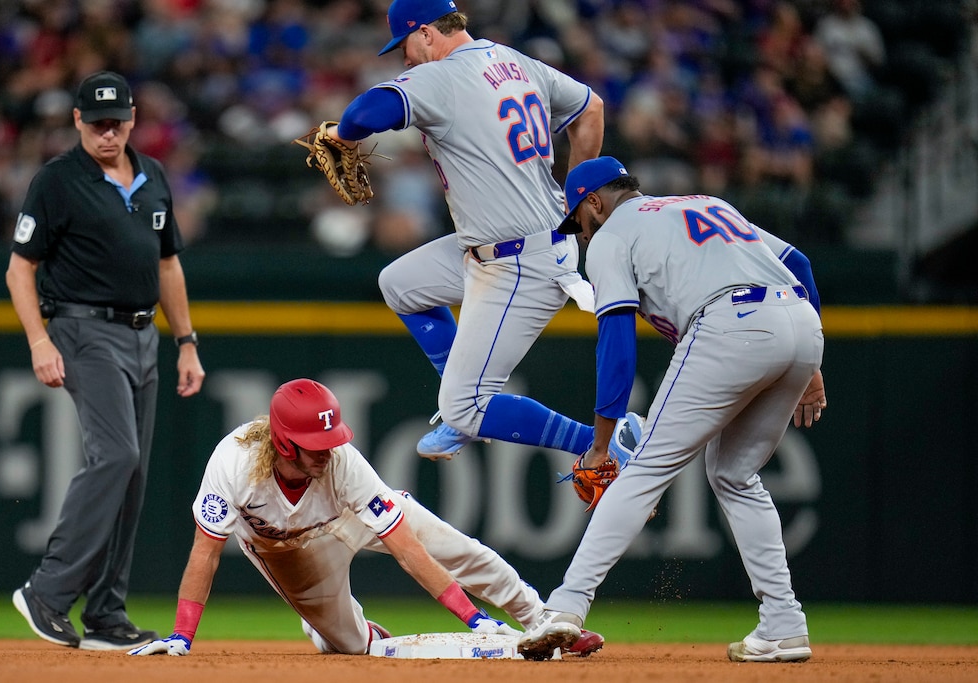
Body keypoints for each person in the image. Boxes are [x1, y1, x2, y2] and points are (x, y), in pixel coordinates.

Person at [517, 157, 827, 663]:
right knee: (735, 473)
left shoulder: (614, 235)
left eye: (578, 221)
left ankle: (566, 608)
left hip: (730, 322)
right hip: (798, 324)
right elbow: (800, 265)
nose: (581, 233)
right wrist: (809, 362)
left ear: (594, 202)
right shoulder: (707, 204)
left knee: (642, 470)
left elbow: (616, 343)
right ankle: (784, 623)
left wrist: (601, 443)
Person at [128, 379, 605, 657]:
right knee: (353, 648)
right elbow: (205, 554)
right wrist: (182, 637)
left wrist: (475, 619)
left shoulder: (342, 462)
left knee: (457, 547)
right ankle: (332, 627)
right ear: (284, 444)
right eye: (316, 446)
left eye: (334, 439)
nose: (329, 450)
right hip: (289, 551)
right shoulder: (232, 463)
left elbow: (405, 547)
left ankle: (543, 620)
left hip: (346, 515)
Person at [325, 0, 605, 460]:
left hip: (521, 263)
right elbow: (589, 107)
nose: (407, 59)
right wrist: (576, 196)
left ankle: (604, 444)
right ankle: (461, 407)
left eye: (406, 46)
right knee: (400, 284)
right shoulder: (515, 61)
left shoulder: (444, 75)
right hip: (502, 244)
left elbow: (363, 114)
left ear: (428, 34)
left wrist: (342, 136)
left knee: (468, 406)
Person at [6, 70, 205, 651]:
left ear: (133, 119)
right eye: (96, 123)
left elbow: (168, 266)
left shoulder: (154, 177)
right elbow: (20, 268)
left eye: (116, 121)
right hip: (82, 327)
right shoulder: (57, 181)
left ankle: (106, 613)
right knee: (116, 454)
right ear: (77, 122)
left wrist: (186, 341)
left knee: (133, 473)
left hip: (144, 333)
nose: (107, 132)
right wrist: (39, 341)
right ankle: (46, 591)